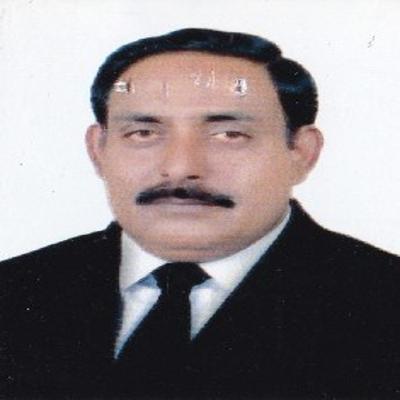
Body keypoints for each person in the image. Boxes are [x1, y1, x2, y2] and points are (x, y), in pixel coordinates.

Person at [1, 28, 399, 399]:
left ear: (302, 152)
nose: (180, 168)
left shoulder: (383, 304)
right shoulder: (15, 292)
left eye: (229, 134)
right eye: (144, 133)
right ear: (97, 150)